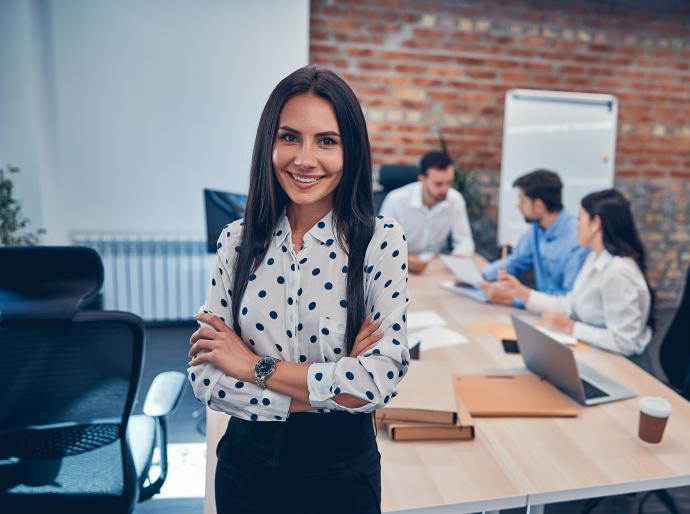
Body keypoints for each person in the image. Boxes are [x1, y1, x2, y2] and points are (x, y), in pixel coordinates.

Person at [187, 65, 410, 514]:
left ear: (351, 152)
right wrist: (334, 389)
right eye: (290, 137)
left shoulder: (380, 242)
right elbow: (207, 377)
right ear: (269, 143)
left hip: (342, 472)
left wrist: (253, 365)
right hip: (245, 468)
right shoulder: (236, 241)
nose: (304, 159)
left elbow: (379, 379)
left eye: (326, 141)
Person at [499, 189, 653, 356]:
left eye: (580, 218)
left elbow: (625, 343)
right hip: (596, 352)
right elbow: (570, 305)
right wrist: (522, 292)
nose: (576, 225)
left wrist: (570, 327)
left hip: (623, 366)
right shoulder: (595, 257)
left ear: (595, 223)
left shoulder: (619, 271)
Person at [481, 169, 589, 305]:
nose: (518, 206)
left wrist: (514, 298)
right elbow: (515, 261)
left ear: (538, 206)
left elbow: (568, 299)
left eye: (522, 200)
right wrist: (480, 277)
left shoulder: (577, 239)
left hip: (560, 315)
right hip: (539, 310)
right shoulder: (536, 230)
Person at [379, 150, 475, 274]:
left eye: (449, 183)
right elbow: (381, 244)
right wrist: (404, 259)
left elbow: (464, 241)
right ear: (422, 179)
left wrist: (457, 257)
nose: (445, 190)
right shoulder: (396, 200)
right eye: (438, 184)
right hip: (399, 267)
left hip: (435, 268)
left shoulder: (455, 200)